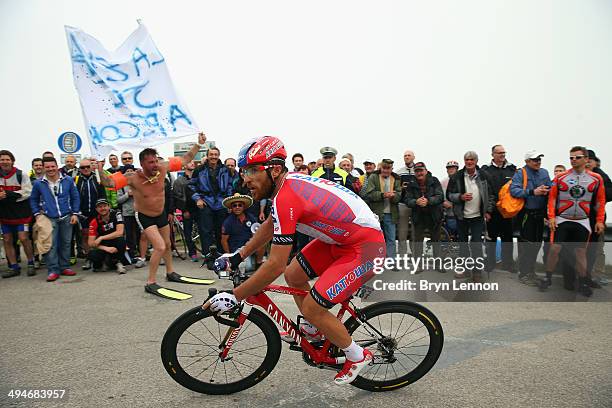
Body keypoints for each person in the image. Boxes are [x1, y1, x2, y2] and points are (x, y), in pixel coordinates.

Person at [208, 136, 385, 385]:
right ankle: (315, 328)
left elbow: (274, 265)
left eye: (250, 171)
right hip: (343, 241)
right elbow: (270, 226)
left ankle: (357, 355)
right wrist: (237, 256)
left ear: (275, 170)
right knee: (294, 274)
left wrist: (236, 295)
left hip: (364, 248)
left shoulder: (286, 196)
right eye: (243, 171)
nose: (244, 179)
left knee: (313, 307)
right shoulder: (283, 190)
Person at [98, 132, 207, 292]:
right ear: (142, 163)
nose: (155, 164)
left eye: (156, 161)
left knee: (168, 245)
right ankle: (150, 282)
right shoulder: (132, 177)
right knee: (160, 247)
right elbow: (108, 183)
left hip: (161, 213)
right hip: (144, 216)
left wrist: (199, 144)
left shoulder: (163, 168)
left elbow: (186, 159)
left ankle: (170, 272)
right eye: (150, 162)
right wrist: (100, 167)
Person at [544, 146, 605, 297]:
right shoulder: (560, 177)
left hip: (582, 220)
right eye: (571, 157)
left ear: (586, 159)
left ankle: (583, 282)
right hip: (562, 219)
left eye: (577, 157)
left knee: (580, 253)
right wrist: (552, 217)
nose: (573, 160)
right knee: (555, 249)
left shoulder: (596, 178)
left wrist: (599, 220)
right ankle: (547, 277)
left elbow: (600, 201)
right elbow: (551, 198)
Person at [29, 157, 80, 282]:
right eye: (47, 167)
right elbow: (33, 199)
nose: (50, 169)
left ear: (57, 166)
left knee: (66, 243)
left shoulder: (68, 180)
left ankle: (64, 267)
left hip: (66, 216)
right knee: (50, 245)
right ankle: (53, 270)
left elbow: (75, 197)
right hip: (48, 218)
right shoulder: (38, 183)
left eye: (53, 166)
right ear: (44, 168)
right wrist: (37, 214)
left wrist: (75, 213)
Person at [446, 151, 494, 281]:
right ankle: (464, 269)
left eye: (472, 159)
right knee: (462, 244)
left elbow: (491, 195)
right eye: (467, 159)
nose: (469, 162)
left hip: (478, 216)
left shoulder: (484, 175)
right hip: (461, 216)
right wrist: (460, 197)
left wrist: (488, 211)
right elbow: (449, 195)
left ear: (476, 161)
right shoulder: (456, 176)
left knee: (476, 244)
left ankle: (477, 271)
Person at [510, 150, 552, 286]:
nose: (538, 162)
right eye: (535, 160)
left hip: (540, 215)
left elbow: (551, 189)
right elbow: (514, 191)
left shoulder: (544, 172)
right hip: (526, 214)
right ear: (527, 161)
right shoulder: (520, 173)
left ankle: (531, 272)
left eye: (539, 159)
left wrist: (548, 190)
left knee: (536, 245)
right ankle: (523, 274)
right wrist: (533, 191)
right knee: (527, 245)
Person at [190, 146, 234, 255]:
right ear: (207, 156)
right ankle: (207, 255)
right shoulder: (199, 169)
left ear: (218, 156)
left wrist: (228, 202)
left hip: (221, 203)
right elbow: (191, 186)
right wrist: (198, 199)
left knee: (221, 231)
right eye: (211, 154)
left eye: (215, 154)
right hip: (206, 202)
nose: (213, 157)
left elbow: (229, 186)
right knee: (206, 231)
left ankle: (221, 254)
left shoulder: (225, 170)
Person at [481, 145, 517, 273]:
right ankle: (490, 263)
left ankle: (508, 263)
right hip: (492, 210)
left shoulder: (512, 169)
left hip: (507, 211)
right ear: (493, 155)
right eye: (499, 153)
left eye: (504, 152)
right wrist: (486, 210)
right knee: (491, 238)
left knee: (508, 238)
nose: (502, 155)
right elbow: (483, 191)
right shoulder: (485, 170)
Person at [0, 150, 36, 277]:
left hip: (22, 214)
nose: (4, 162)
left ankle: (31, 263)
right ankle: (14, 266)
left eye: (7, 159)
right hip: (4, 214)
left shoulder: (21, 174)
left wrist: (8, 194)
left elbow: (27, 192)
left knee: (23, 238)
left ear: (12, 161)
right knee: (7, 239)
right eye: (2, 159)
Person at [403, 162, 444, 261]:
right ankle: (418, 264)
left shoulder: (434, 181)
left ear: (426, 171)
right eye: (417, 171)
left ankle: (438, 264)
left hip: (434, 215)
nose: (419, 173)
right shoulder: (411, 183)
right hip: (418, 216)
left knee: (436, 240)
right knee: (417, 241)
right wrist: (416, 201)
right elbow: (407, 199)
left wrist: (428, 201)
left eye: (421, 170)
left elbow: (440, 196)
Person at [363, 159, 401, 260]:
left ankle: (391, 260)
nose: (386, 170)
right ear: (381, 168)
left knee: (391, 239)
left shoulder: (396, 178)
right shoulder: (373, 177)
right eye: (384, 168)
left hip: (391, 214)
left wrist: (394, 196)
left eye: (388, 168)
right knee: (377, 239)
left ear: (391, 169)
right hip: (376, 213)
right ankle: (377, 260)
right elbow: (369, 194)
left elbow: (399, 195)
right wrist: (382, 195)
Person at [585, 149, 612, 286]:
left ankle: (598, 274)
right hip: (581, 217)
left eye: (591, 159)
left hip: (597, 218)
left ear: (596, 162)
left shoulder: (601, 176)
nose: (588, 162)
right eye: (586, 159)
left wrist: (596, 196)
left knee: (597, 248)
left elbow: (610, 193)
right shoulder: (578, 174)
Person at [75, 158, 106, 269]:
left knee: (99, 235)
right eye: (83, 167)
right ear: (80, 168)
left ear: (91, 166)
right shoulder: (76, 179)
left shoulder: (97, 178)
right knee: (85, 235)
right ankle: (89, 258)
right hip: (83, 213)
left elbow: (103, 195)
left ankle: (99, 258)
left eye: (88, 166)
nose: (86, 169)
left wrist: (104, 210)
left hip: (97, 212)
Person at [220, 193, 265, 267]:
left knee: (262, 242)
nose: (237, 207)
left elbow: (256, 234)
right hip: (237, 250)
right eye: (234, 205)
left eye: (240, 205)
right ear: (231, 207)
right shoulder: (228, 222)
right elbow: (224, 241)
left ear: (244, 207)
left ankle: (258, 263)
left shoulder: (251, 218)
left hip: (249, 246)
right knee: (246, 266)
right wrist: (230, 256)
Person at [87, 198, 127, 273]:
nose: (102, 208)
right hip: (103, 245)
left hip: (115, 242)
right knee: (92, 254)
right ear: (96, 209)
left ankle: (119, 262)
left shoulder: (117, 214)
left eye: (104, 206)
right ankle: (103, 263)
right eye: (100, 207)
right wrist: (105, 248)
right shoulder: (94, 222)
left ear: (109, 206)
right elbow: (90, 243)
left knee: (121, 240)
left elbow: (120, 232)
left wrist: (101, 237)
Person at [172, 160, 199, 261]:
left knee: (204, 230)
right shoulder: (179, 180)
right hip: (187, 210)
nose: (192, 164)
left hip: (199, 208)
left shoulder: (198, 178)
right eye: (189, 162)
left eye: (193, 162)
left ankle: (206, 252)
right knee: (187, 232)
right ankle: (192, 253)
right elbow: (177, 197)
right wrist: (184, 210)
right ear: (184, 166)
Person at [117, 165, 141, 263]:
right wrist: (128, 194)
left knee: (140, 234)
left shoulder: (139, 183)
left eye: (132, 171)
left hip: (139, 212)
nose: (130, 173)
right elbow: (118, 200)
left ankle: (142, 252)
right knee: (129, 235)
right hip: (127, 213)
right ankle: (131, 253)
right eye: (128, 171)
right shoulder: (121, 186)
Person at [396, 150, 416, 257]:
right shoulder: (399, 172)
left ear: (413, 157)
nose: (407, 157)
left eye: (409, 155)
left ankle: (415, 255)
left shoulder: (418, 170)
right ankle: (402, 255)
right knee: (402, 232)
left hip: (415, 205)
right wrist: (401, 188)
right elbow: (395, 188)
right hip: (403, 204)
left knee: (415, 231)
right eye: (405, 156)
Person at [440, 160, 459, 236]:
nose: (451, 170)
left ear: (457, 169)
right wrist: (443, 202)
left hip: (459, 212)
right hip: (448, 213)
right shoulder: (442, 182)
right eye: (449, 168)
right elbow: (439, 196)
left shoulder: (461, 181)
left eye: (453, 168)